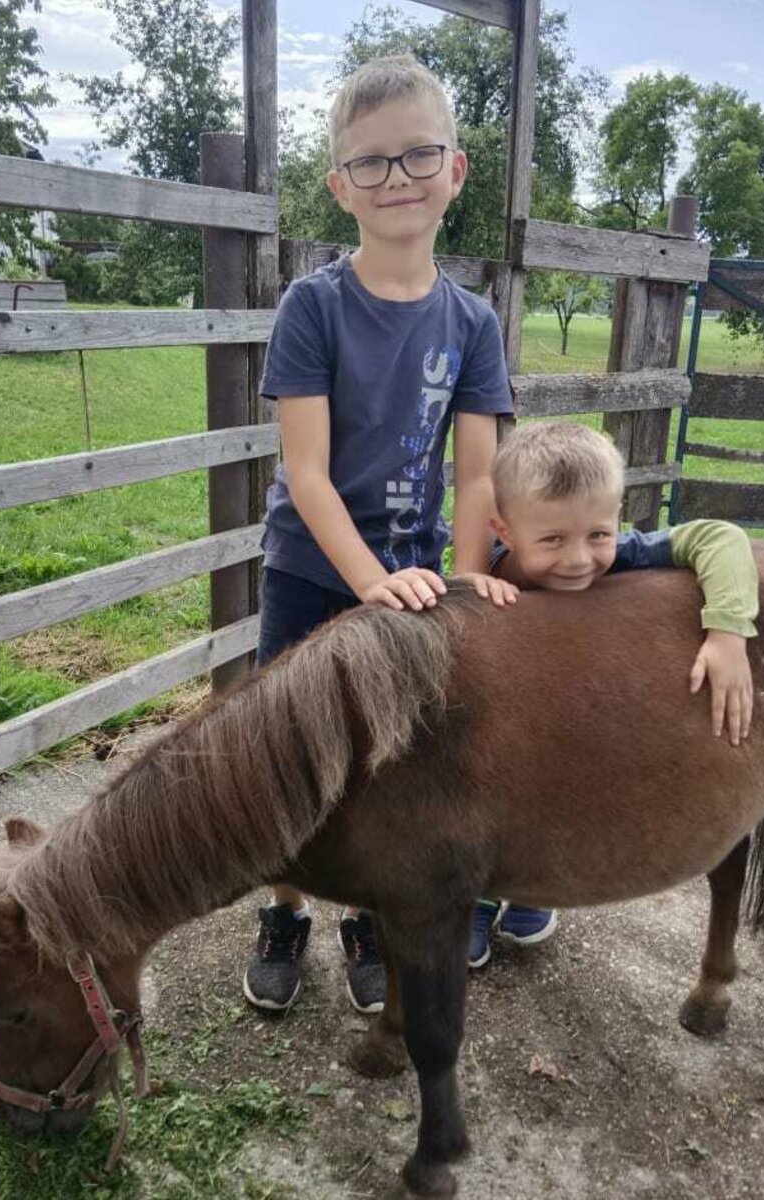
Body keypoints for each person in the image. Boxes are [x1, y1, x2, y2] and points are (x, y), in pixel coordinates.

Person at [243, 54, 518, 1014]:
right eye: (370, 164)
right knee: (284, 758)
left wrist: (472, 585)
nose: (396, 178)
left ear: (457, 170)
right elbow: (305, 473)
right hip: (314, 571)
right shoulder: (313, 306)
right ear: (338, 187)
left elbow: (477, 474)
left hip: (411, 578)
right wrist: (365, 580)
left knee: (385, 759)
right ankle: (286, 912)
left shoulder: (474, 322)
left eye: (417, 156)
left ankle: (363, 911)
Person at [466, 420, 759, 969]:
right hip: (510, 729)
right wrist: (473, 583)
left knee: (557, 801)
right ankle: (483, 898)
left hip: (578, 721)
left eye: (598, 533)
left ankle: (533, 894)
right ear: (503, 530)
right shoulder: (484, 570)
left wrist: (727, 632)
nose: (580, 559)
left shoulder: (620, 555)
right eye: (552, 539)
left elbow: (719, 536)